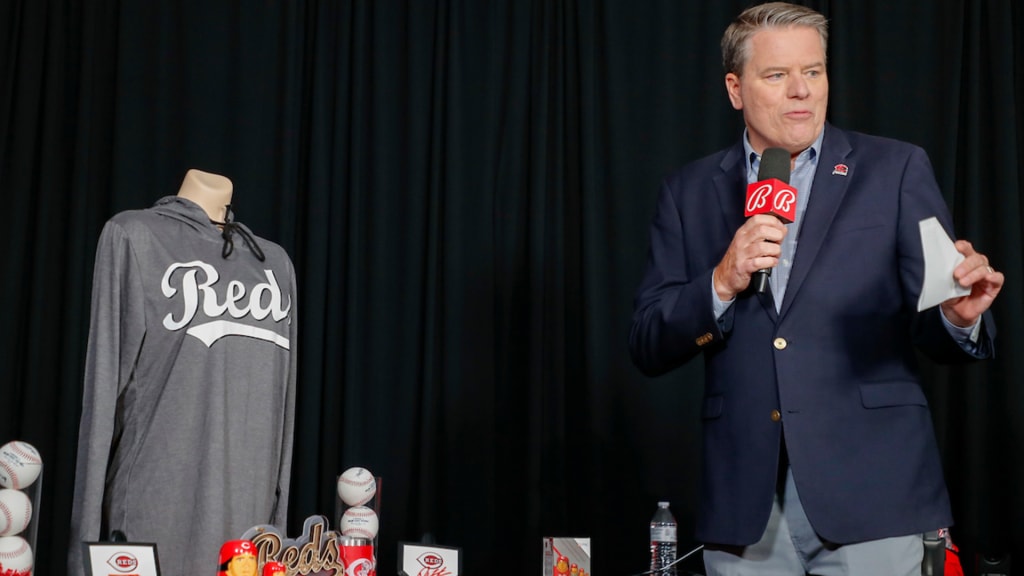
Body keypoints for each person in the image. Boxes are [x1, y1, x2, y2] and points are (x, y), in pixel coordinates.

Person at [628, 3, 1004, 575]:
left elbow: (938, 325)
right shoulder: (689, 191)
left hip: (875, 496)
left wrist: (957, 314)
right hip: (746, 511)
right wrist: (721, 282)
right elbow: (649, 341)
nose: (801, 91)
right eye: (777, 75)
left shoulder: (895, 169)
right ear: (736, 89)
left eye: (813, 71)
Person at [68, 169, 298, 576]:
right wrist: (82, 554)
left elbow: (284, 413)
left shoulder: (274, 264)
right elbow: (101, 399)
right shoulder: (134, 235)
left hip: (249, 537)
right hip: (154, 525)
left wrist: (274, 536)